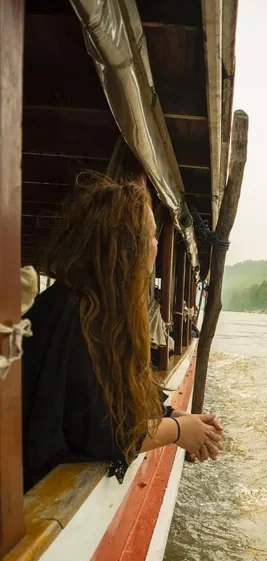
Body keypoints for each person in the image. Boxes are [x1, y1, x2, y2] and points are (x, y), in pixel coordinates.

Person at [22, 173, 222, 492]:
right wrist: (179, 431)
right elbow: (104, 433)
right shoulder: (82, 318)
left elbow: (118, 399)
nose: (156, 245)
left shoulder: (86, 305)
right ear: (129, 245)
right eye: (152, 235)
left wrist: (179, 416)